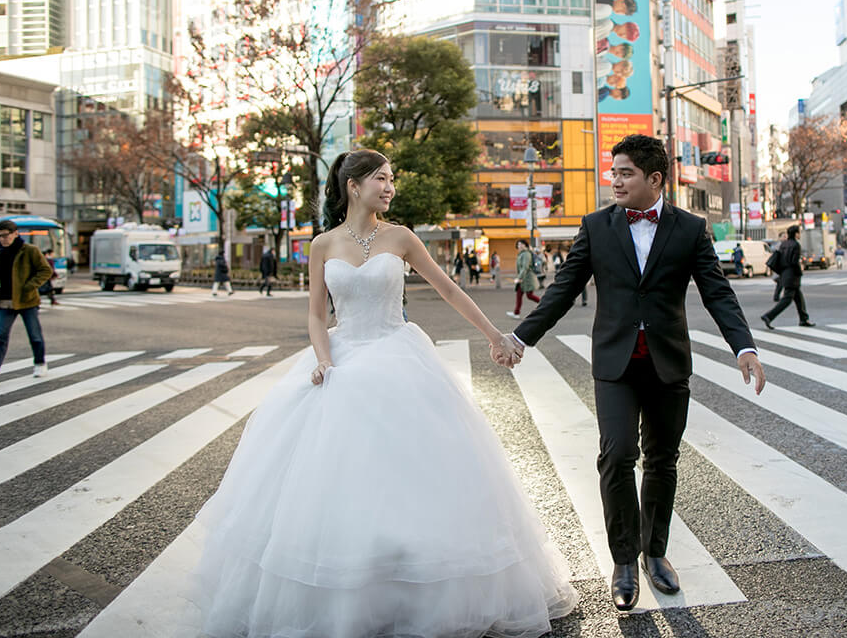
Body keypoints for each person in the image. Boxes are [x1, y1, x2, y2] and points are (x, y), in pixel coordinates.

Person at [191, 149, 576, 636]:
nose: (390, 186)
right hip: (342, 358)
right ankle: (353, 592)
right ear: (354, 185)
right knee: (335, 483)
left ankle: (417, 587)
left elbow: (449, 290)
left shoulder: (400, 237)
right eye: (381, 178)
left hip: (399, 355)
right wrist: (324, 360)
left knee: (417, 476)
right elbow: (315, 314)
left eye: (392, 178)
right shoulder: (322, 245)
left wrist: (495, 336)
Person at [500, 135, 764, 612]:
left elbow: (717, 293)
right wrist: (521, 338)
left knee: (662, 461)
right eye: (613, 172)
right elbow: (562, 290)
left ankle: (655, 553)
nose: (615, 181)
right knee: (617, 455)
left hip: (667, 363)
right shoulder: (597, 227)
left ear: (655, 179)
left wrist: (743, 346)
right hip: (615, 365)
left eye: (625, 173)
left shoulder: (690, 229)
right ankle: (623, 560)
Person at [0, 220, 54, 386]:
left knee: (34, 334)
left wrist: (30, 286)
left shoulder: (29, 251)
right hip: (4, 300)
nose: (3, 239)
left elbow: (45, 270)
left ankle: (40, 363)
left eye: (5, 235)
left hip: (26, 299)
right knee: (0, 335)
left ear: (15, 233)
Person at [761, 225, 815, 328]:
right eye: (799, 232)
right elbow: (794, 262)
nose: (800, 234)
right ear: (796, 234)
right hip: (792, 276)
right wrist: (799, 272)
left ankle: (804, 319)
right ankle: (768, 316)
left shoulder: (784, 244)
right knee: (786, 300)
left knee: (799, 298)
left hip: (785, 274)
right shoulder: (795, 245)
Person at [506, 240, 541, 319]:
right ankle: (516, 313)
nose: (520, 246)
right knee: (519, 295)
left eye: (521, 244)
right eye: (518, 244)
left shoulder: (526, 254)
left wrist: (519, 278)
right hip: (523, 279)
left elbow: (525, 267)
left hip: (527, 279)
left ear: (525, 245)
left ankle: (545, 305)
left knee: (530, 295)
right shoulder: (521, 254)